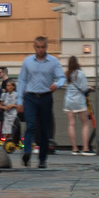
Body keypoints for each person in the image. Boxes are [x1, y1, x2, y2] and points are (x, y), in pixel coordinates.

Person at [16, 36, 66, 167]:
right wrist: (19, 100)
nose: (40, 50)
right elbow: (22, 80)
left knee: (44, 129)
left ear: (46, 47)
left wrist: (57, 85)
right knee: (30, 125)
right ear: (34, 47)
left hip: (45, 97)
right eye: (38, 47)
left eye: (43, 47)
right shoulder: (28, 61)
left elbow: (62, 77)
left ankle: (42, 159)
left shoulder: (53, 61)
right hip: (30, 97)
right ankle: (27, 153)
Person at [63, 55, 94, 156]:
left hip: (69, 101)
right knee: (85, 124)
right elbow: (84, 88)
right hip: (79, 101)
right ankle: (85, 148)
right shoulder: (80, 74)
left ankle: (74, 148)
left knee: (71, 124)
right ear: (77, 63)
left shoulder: (67, 74)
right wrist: (91, 88)